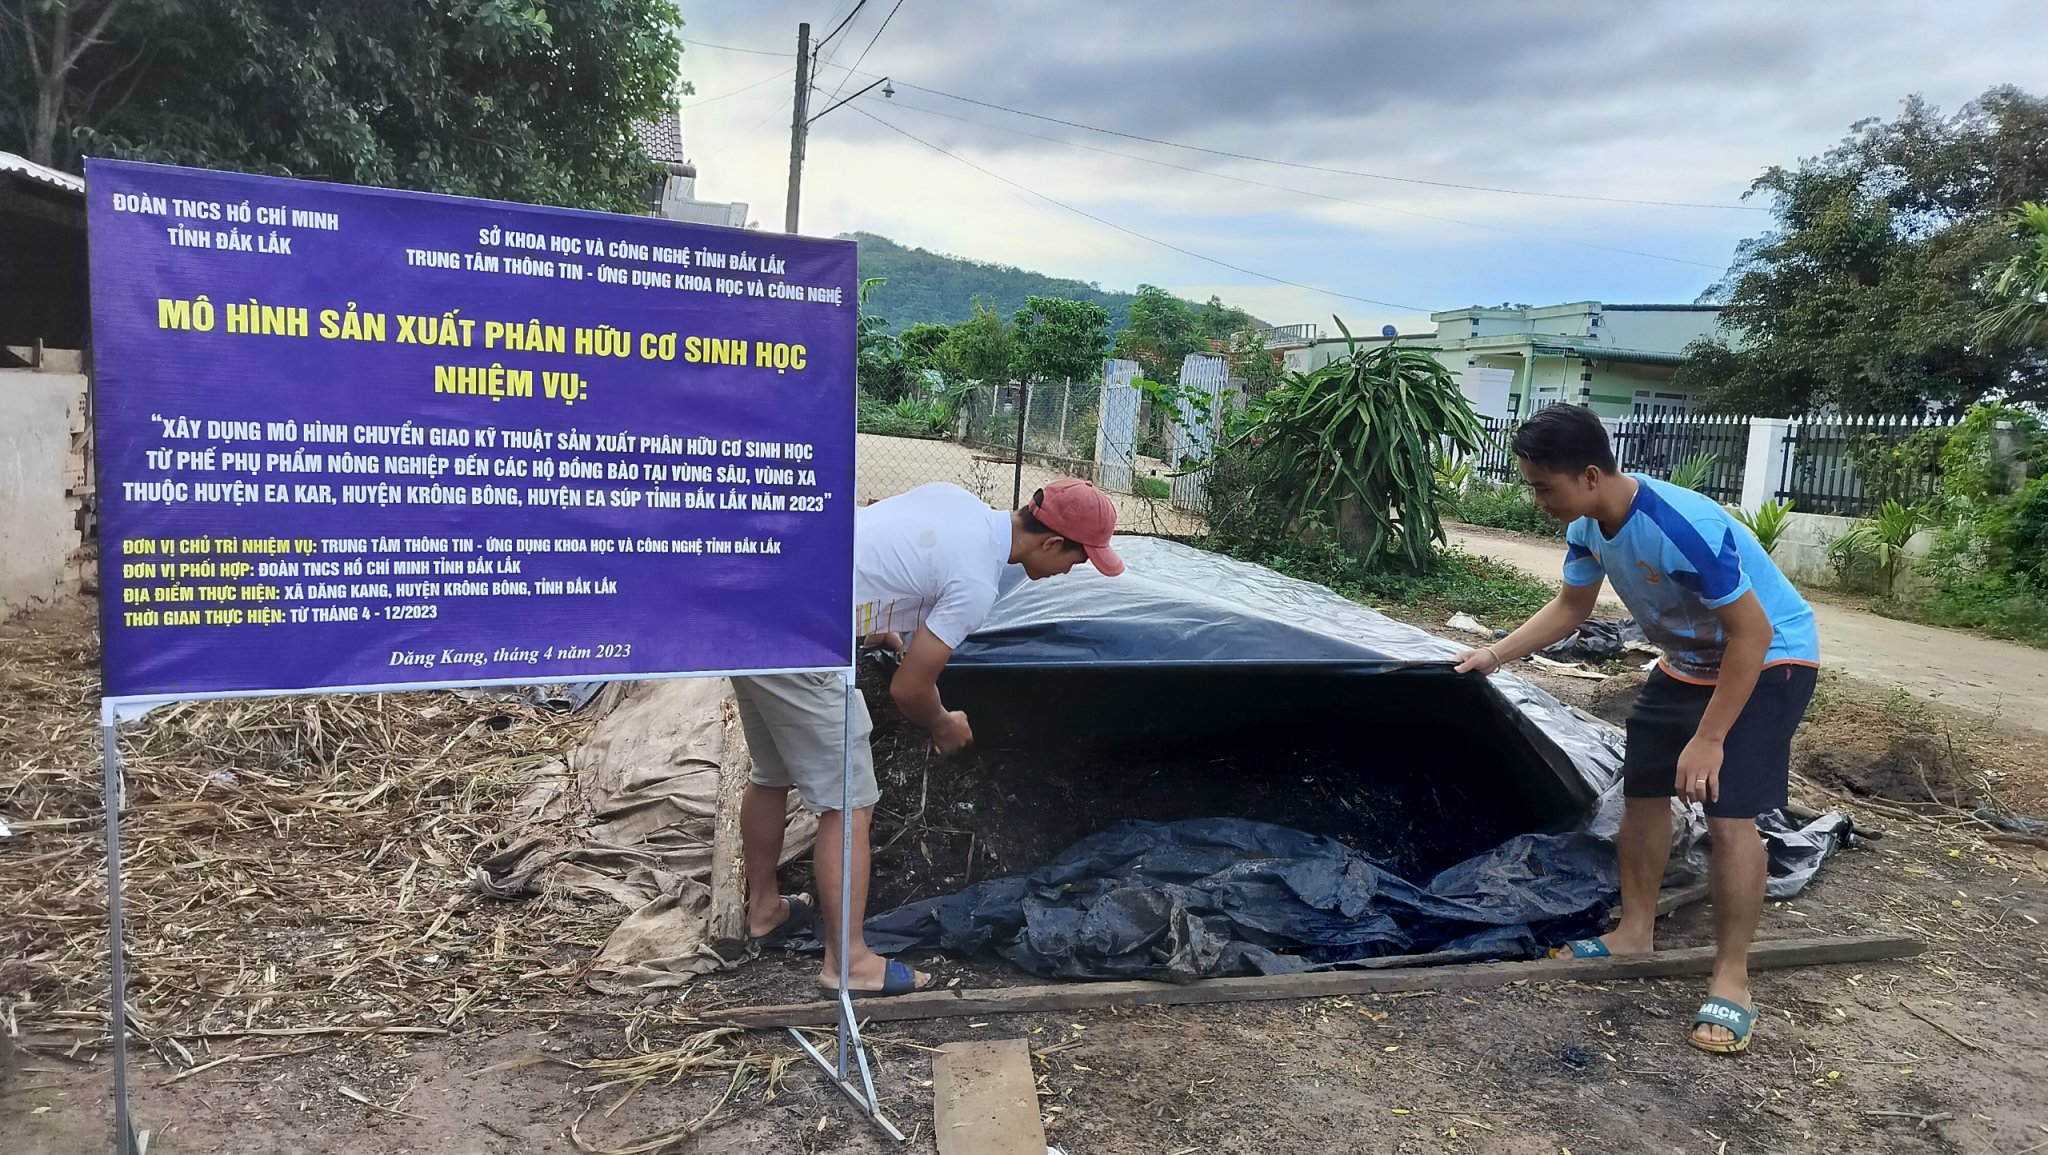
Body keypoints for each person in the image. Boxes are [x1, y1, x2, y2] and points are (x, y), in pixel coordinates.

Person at [1452, 405, 1818, 1055]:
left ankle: (1732, 979)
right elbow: (1572, 607)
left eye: (1544, 487)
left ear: (1590, 475)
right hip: (1686, 664)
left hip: (1769, 660)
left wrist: (1709, 737)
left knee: (1730, 813)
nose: (1537, 500)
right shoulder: (1589, 525)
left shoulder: (1681, 527)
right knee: (1643, 790)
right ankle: (1635, 929)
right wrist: (1496, 653)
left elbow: (1753, 633)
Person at [733, 478, 1124, 998]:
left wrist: (884, 627)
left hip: (752, 611)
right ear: (1051, 543)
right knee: (850, 805)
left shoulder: (955, 500)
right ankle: (847, 963)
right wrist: (943, 722)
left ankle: (765, 910)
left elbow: (882, 557)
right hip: (804, 638)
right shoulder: (978, 582)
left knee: (772, 774)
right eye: (1075, 562)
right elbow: (908, 687)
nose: (1068, 573)